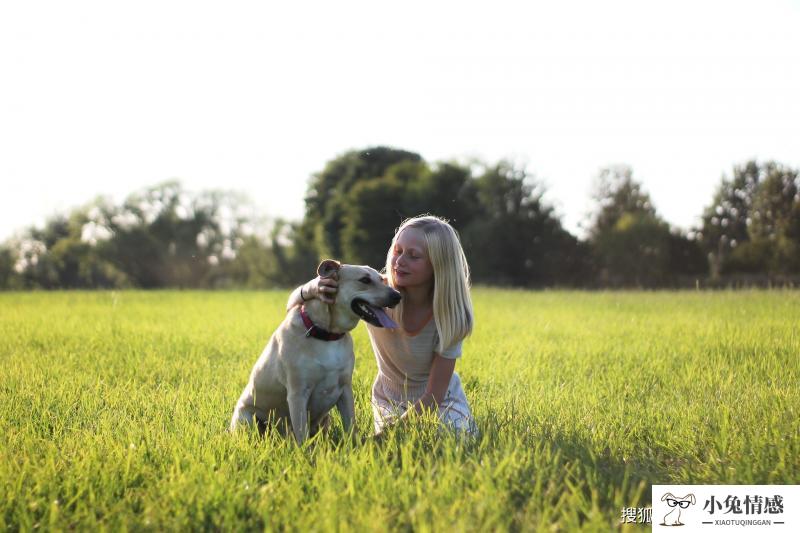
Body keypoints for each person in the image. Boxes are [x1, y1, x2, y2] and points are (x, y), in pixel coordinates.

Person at [286, 215, 477, 438]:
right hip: (390, 400)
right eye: (398, 251)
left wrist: (380, 438)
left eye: (414, 256)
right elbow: (292, 304)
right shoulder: (375, 292)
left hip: (441, 401)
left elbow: (433, 396)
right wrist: (313, 287)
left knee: (451, 436)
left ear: (438, 265)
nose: (400, 261)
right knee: (402, 443)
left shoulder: (450, 315)